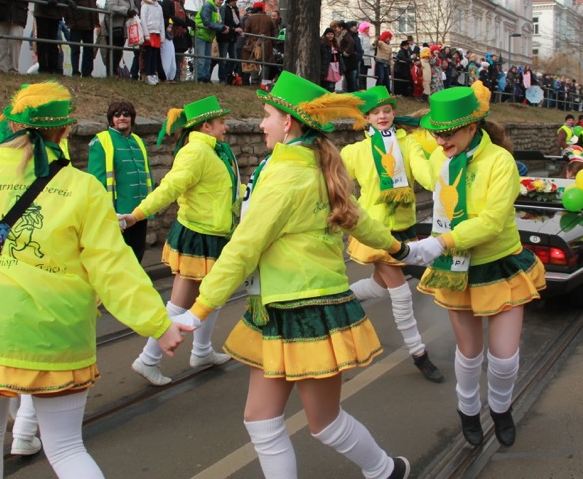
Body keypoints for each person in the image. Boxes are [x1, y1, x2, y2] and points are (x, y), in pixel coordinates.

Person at [0, 81, 185, 479]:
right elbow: (112, 266)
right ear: (65, 130)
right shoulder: (83, 189)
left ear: (12, 124)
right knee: (66, 446)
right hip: (55, 332)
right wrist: (157, 322)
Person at [173, 72, 413, 478]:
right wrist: (398, 247)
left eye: (266, 115)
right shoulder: (308, 166)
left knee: (323, 423)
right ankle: (386, 471)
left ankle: (386, 471)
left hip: (307, 312)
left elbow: (243, 248)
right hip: (281, 309)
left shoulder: (286, 176)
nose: (260, 124)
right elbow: (360, 220)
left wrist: (198, 310)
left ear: (287, 123)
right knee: (262, 422)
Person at [414, 82, 546, 449]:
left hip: (499, 265)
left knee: (503, 358)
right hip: (457, 268)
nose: (440, 141)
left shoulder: (500, 162)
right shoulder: (439, 158)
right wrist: (396, 140)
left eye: (448, 133)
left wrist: (439, 242)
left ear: (472, 127)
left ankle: (501, 408)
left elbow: (491, 221)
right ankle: (468, 409)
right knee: (469, 353)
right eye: (436, 134)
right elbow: (427, 174)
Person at [121, 96, 240, 385]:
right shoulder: (196, 152)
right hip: (198, 236)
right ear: (207, 126)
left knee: (212, 297)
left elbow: (223, 190)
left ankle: (202, 350)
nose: (226, 127)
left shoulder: (214, 151)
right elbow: (169, 188)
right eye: (221, 122)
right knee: (179, 303)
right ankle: (148, 359)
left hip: (214, 234)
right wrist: (137, 215)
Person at [341, 85, 443, 383]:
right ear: (366, 118)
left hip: (404, 227)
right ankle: (419, 353)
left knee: (380, 287)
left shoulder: (409, 145)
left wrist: (444, 159)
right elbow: (337, 186)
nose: (382, 116)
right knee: (401, 293)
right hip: (374, 229)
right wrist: (356, 212)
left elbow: (427, 177)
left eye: (387, 110)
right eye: (375, 112)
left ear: (394, 113)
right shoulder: (355, 152)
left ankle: (338, 299)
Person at [87, 101, 154, 262]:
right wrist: (107, 210)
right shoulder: (101, 141)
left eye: (126, 114)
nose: (122, 118)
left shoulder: (138, 141)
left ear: (132, 118)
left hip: (140, 210)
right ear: (111, 119)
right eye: (116, 115)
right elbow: (96, 180)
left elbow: (147, 174)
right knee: (118, 257)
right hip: (117, 211)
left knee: (137, 253)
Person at [65, 0, 99, 77]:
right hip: (76, 22)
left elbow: (93, 4)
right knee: (75, 48)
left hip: (89, 23)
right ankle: (75, 71)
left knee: (88, 49)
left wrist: (95, 21)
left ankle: (87, 72)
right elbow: (67, 2)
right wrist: (70, 20)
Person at [102, 0, 136, 77]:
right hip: (112, 28)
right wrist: (126, 11)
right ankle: (111, 72)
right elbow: (111, 7)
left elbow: (134, 8)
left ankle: (115, 72)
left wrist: (134, 12)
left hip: (124, 29)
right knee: (112, 51)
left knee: (119, 52)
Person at [193, 0, 227, 82]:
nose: (221, 2)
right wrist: (221, 28)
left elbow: (218, 22)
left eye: (222, 0)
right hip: (200, 33)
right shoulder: (207, 6)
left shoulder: (216, 9)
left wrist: (222, 27)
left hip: (208, 36)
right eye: (220, 0)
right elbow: (207, 21)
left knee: (208, 59)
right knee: (201, 58)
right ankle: (200, 77)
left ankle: (206, 77)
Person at [161, 0, 193, 81]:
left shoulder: (180, 4)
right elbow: (169, 16)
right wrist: (182, 23)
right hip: (171, 32)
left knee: (179, 57)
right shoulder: (167, 3)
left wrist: (191, 23)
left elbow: (185, 18)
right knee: (170, 56)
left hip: (180, 35)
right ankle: (168, 76)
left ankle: (176, 76)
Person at [139, 0, 164, 85]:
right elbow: (143, 20)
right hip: (149, 32)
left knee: (155, 55)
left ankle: (153, 73)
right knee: (148, 54)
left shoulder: (159, 7)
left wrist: (162, 36)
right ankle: (148, 74)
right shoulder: (145, 5)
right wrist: (146, 34)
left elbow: (161, 22)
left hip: (157, 33)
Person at [217, 0, 243, 84]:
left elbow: (237, 22)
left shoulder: (235, 9)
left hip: (233, 37)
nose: (235, 2)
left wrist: (239, 30)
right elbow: (222, 23)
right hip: (224, 37)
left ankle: (227, 74)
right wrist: (233, 29)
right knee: (223, 59)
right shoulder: (224, 9)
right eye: (233, 0)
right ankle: (222, 78)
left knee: (234, 59)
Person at [319, 26, 344, 91]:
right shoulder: (323, 44)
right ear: (325, 35)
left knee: (332, 84)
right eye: (328, 34)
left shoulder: (335, 44)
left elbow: (339, 57)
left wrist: (342, 67)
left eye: (331, 34)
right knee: (327, 84)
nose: (330, 36)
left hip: (335, 66)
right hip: (327, 67)